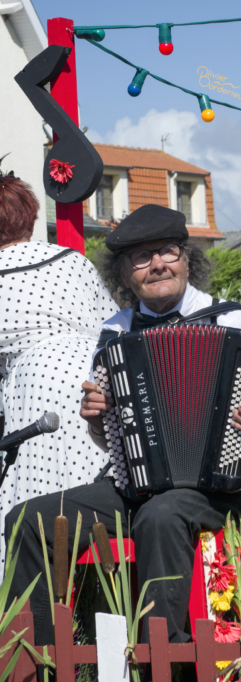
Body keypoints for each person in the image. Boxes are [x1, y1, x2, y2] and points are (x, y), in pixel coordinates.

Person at [5, 204, 241, 682]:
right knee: (27, 519)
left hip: (221, 492)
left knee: (163, 514)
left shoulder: (234, 321)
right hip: (133, 489)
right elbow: (115, 446)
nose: (158, 264)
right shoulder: (116, 331)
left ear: (188, 259)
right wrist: (99, 418)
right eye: (141, 257)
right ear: (123, 273)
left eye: (167, 251)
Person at [0, 171, 118, 566]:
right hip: (93, 378)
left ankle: (34, 608)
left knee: (34, 511)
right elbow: (112, 326)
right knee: (91, 500)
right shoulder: (71, 260)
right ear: (29, 215)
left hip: (37, 385)